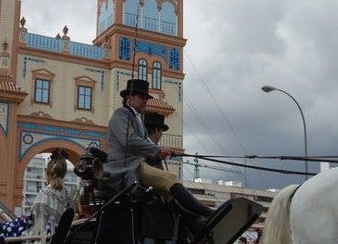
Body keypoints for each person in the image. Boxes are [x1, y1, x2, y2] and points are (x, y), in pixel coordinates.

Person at [102, 79, 216, 227]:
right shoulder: (121, 114)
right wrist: (157, 150)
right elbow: (129, 140)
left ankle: (195, 223)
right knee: (170, 177)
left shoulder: (137, 118)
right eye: (141, 97)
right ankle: (206, 212)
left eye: (146, 98)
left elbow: (142, 146)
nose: (145, 101)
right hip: (125, 167)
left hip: (135, 164)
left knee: (167, 191)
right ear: (129, 98)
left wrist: (158, 153)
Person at [31, 151, 75, 236]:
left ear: (47, 173)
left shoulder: (44, 193)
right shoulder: (69, 195)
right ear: (64, 174)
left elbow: (35, 222)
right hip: (60, 238)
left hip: (46, 238)